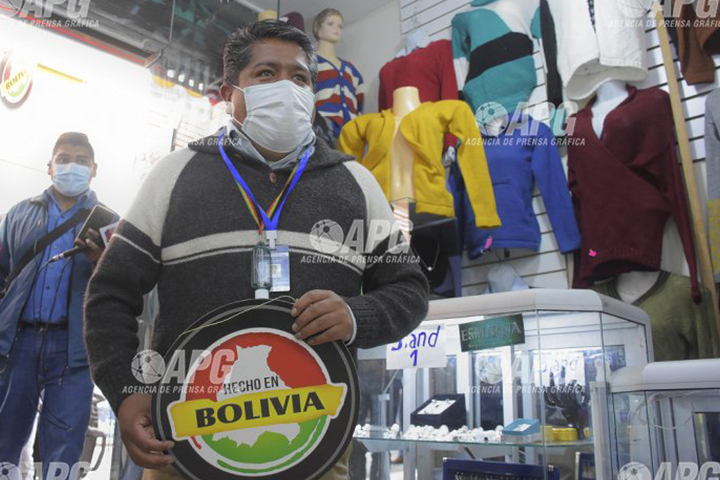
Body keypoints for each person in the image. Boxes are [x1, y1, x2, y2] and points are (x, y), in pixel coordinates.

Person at [84, 20, 429, 480]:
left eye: (300, 77)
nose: (287, 87)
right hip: (185, 445)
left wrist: (355, 316)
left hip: (313, 445)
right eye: (266, 73)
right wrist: (126, 390)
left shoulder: (356, 183)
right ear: (230, 93)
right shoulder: (176, 174)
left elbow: (410, 290)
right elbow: (110, 294)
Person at [0, 132, 109, 478]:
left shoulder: (110, 225)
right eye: (63, 159)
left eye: (81, 161)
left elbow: (123, 289)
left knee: (64, 444)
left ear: (94, 169)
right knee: (4, 435)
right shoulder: (19, 214)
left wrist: (101, 261)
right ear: (49, 166)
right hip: (18, 343)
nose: (71, 167)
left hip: (73, 348)